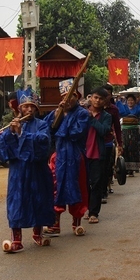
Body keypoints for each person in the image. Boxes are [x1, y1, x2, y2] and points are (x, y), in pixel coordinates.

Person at [0, 88, 55, 253]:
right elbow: (3, 145)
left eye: (32, 107)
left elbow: (43, 142)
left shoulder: (42, 124)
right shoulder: (13, 123)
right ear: (19, 108)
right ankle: (16, 239)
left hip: (37, 169)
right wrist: (11, 133)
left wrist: (22, 133)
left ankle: (38, 234)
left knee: (39, 199)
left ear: (36, 108)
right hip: (18, 171)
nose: (29, 110)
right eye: (25, 106)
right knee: (17, 202)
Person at [43, 80, 90, 237]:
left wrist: (61, 121)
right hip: (58, 156)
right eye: (64, 97)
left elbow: (76, 133)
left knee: (77, 187)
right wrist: (57, 116)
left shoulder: (83, 114)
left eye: (71, 97)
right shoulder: (57, 112)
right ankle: (54, 223)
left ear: (76, 97)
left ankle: (76, 222)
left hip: (75, 156)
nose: (67, 100)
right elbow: (46, 130)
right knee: (55, 188)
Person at [85, 87, 112, 224]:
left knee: (96, 184)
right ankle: (86, 208)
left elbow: (104, 131)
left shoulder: (107, 116)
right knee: (84, 183)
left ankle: (94, 212)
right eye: (95, 97)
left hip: (97, 153)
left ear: (104, 101)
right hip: (83, 153)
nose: (97, 100)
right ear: (90, 97)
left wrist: (92, 120)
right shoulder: (82, 113)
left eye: (101, 99)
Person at [101, 84, 122, 202]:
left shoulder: (114, 109)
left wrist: (120, 143)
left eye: (107, 95)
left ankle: (104, 190)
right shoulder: (92, 108)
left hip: (108, 141)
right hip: (94, 143)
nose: (103, 97)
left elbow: (117, 128)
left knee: (107, 167)